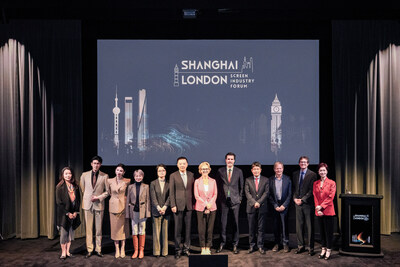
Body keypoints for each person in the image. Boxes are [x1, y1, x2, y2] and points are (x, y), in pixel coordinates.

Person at [80, 155, 109, 258]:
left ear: (100, 164)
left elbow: (107, 192)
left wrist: (98, 197)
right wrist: (89, 197)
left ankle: (98, 249)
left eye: (98, 163)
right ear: (91, 164)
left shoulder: (104, 176)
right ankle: (89, 249)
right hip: (87, 205)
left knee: (98, 229)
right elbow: (83, 189)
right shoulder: (84, 175)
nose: (96, 165)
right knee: (88, 229)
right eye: (94, 163)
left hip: (99, 204)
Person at [216, 152, 244, 254]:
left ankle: (235, 244)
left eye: (232, 159)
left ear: (234, 161)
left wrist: (240, 198)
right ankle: (222, 243)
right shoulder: (220, 171)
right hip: (223, 201)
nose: (230, 161)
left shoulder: (238, 171)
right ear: (225, 160)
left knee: (235, 223)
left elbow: (242, 186)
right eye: (228, 159)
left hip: (235, 201)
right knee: (223, 224)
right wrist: (219, 198)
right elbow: (218, 186)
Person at [169, 156, 195, 259]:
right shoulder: (173, 175)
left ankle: (186, 248)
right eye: (180, 163)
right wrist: (173, 204)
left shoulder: (191, 174)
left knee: (188, 229)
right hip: (177, 206)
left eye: (184, 163)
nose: (182, 165)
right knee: (177, 229)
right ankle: (177, 249)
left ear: (187, 164)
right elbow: (171, 192)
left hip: (188, 205)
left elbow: (193, 190)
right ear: (177, 165)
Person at [292, 156, 317, 256]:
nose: (303, 164)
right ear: (299, 163)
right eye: (301, 162)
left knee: (309, 226)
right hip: (297, 204)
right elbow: (294, 189)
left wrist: (302, 200)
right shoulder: (295, 174)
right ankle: (300, 246)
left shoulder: (313, 175)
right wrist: (295, 199)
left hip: (308, 204)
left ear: (308, 164)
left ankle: (311, 248)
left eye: (305, 162)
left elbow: (312, 190)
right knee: (299, 226)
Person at [56, 167, 81, 260]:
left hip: (73, 214)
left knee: (70, 233)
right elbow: (59, 202)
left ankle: (68, 251)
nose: (68, 175)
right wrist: (67, 213)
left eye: (69, 173)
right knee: (64, 234)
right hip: (63, 214)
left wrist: (75, 212)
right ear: (63, 175)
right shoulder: (59, 187)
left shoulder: (76, 186)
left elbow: (78, 200)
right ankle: (63, 252)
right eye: (66, 174)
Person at [245, 162, 269, 254]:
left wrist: (259, 202)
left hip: (262, 207)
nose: (256, 171)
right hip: (251, 207)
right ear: (252, 170)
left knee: (261, 228)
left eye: (257, 169)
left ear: (260, 170)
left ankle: (260, 246)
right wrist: (254, 202)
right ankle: (251, 246)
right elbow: (247, 193)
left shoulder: (265, 180)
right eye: (254, 169)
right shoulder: (248, 180)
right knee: (251, 228)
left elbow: (266, 193)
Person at [126, 169, 151, 259]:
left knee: (142, 231)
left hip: (143, 212)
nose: (138, 177)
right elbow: (127, 200)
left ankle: (141, 250)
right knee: (134, 231)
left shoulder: (146, 186)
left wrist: (148, 213)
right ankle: (135, 250)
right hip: (133, 212)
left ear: (142, 176)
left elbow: (148, 200)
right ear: (134, 177)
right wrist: (127, 214)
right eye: (136, 176)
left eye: (140, 176)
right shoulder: (130, 187)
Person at [313, 163, 336, 260]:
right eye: (320, 170)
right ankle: (323, 248)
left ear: (327, 171)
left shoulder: (332, 183)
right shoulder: (315, 183)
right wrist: (318, 208)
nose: (322, 172)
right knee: (321, 232)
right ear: (318, 172)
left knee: (328, 232)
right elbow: (315, 196)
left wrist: (321, 207)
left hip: (328, 210)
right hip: (319, 211)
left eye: (324, 170)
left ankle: (329, 250)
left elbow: (331, 197)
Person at [194, 162, 218, 255]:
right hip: (200, 207)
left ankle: (208, 247)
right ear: (200, 171)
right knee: (201, 229)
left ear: (209, 170)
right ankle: (202, 247)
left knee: (210, 229)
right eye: (203, 169)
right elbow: (196, 195)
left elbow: (215, 194)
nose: (205, 171)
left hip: (212, 208)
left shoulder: (213, 181)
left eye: (206, 169)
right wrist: (205, 204)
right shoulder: (197, 181)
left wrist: (210, 204)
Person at [107, 163, 131, 258]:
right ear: (115, 171)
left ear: (124, 172)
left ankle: (123, 249)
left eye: (121, 171)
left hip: (123, 206)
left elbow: (129, 194)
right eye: (117, 170)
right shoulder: (109, 181)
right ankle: (116, 249)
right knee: (115, 229)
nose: (119, 172)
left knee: (123, 228)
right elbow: (109, 192)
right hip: (113, 206)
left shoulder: (127, 181)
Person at [269, 162, 292, 253]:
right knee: (276, 226)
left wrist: (284, 205)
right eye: (277, 168)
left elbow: (290, 194)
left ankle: (285, 244)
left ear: (283, 169)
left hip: (284, 205)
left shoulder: (287, 179)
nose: (279, 170)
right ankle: (277, 243)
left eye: (280, 168)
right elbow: (269, 195)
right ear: (274, 169)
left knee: (284, 225)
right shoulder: (270, 180)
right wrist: (275, 205)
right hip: (275, 205)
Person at [150, 164, 170, 257]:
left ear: (165, 172)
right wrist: (159, 208)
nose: (161, 172)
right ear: (157, 172)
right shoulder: (153, 183)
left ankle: (165, 252)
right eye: (159, 171)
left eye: (163, 170)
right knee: (156, 233)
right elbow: (153, 197)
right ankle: (157, 252)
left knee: (165, 233)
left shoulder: (169, 183)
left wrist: (165, 207)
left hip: (166, 211)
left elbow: (170, 196)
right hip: (156, 211)